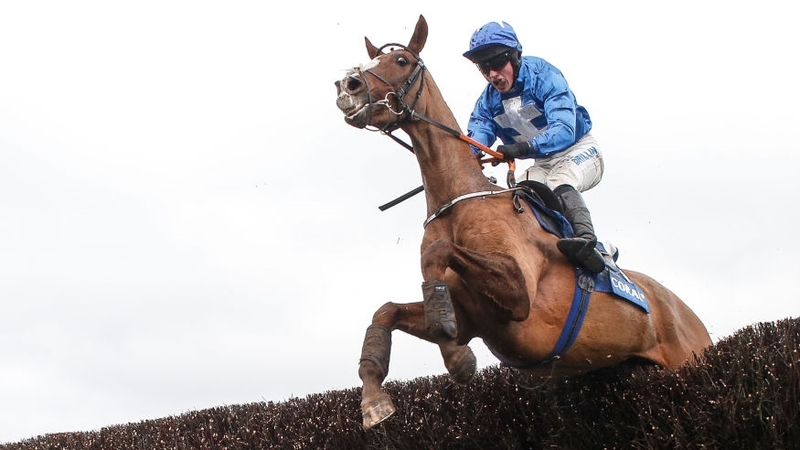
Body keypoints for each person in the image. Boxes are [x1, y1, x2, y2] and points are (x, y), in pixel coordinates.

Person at [463, 20, 606, 274]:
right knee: (517, 197)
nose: (492, 75)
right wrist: (462, 160)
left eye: (497, 64)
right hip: (543, 162)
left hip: (579, 150)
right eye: (484, 68)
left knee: (561, 181)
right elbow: (477, 138)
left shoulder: (544, 76)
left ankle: (589, 243)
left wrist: (522, 148)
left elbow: (564, 129)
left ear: (515, 57)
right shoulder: (487, 102)